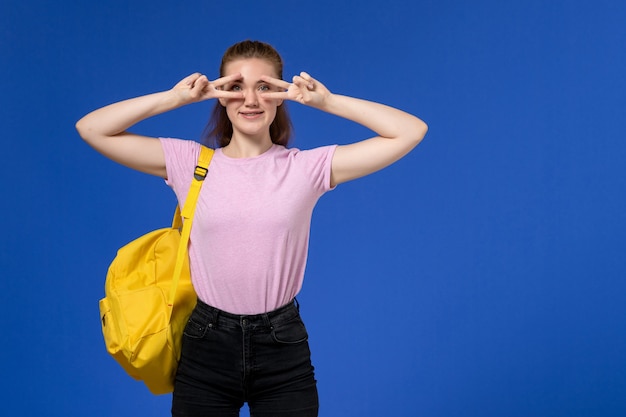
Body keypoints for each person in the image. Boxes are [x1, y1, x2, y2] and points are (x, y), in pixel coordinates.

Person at [76, 40, 428, 417]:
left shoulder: (305, 169)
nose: (250, 99)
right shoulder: (189, 162)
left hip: (282, 344)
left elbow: (409, 131)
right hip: (205, 342)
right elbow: (92, 128)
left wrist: (328, 102)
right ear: (221, 93)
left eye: (264, 87)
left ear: (281, 96)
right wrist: (174, 98)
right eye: (236, 86)